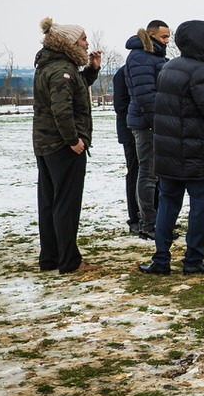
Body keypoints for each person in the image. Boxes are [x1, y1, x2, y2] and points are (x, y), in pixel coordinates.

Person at [139, 19, 204, 276]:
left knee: (167, 205)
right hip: (197, 150)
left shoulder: (169, 67)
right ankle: (192, 260)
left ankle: (161, 259)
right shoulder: (200, 70)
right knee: (200, 206)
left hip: (169, 152)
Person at [33, 17, 101, 274]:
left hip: (46, 144)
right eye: (83, 39)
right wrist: (73, 141)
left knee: (49, 203)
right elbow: (62, 110)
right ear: (70, 42)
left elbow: (75, 87)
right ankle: (70, 262)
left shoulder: (52, 65)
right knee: (66, 204)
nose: (87, 44)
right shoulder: (62, 69)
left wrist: (92, 70)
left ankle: (50, 258)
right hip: (62, 146)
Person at [123, 20, 171, 241]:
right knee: (148, 174)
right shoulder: (140, 56)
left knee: (156, 174)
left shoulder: (154, 55)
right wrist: (156, 122)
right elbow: (145, 95)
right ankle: (148, 224)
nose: (167, 41)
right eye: (163, 37)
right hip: (146, 124)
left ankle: (157, 221)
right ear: (151, 35)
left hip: (153, 122)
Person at [112, 62, 139, 234]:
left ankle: (152, 214)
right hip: (131, 132)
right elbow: (120, 106)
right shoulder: (124, 73)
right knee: (135, 173)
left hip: (145, 128)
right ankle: (135, 217)